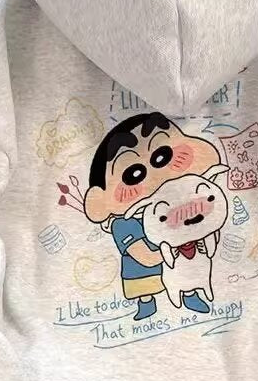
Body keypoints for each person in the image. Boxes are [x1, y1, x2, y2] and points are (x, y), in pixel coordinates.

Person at [83, 112, 220, 320]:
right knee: (146, 289)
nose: (155, 176)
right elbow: (144, 256)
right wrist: (173, 249)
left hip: (179, 267)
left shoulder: (184, 199)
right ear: (100, 200)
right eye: (133, 175)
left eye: (162, 156)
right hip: (143, 271)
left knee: (185, 280)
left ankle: (190, 295)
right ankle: (146, 303)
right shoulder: (123, 224)